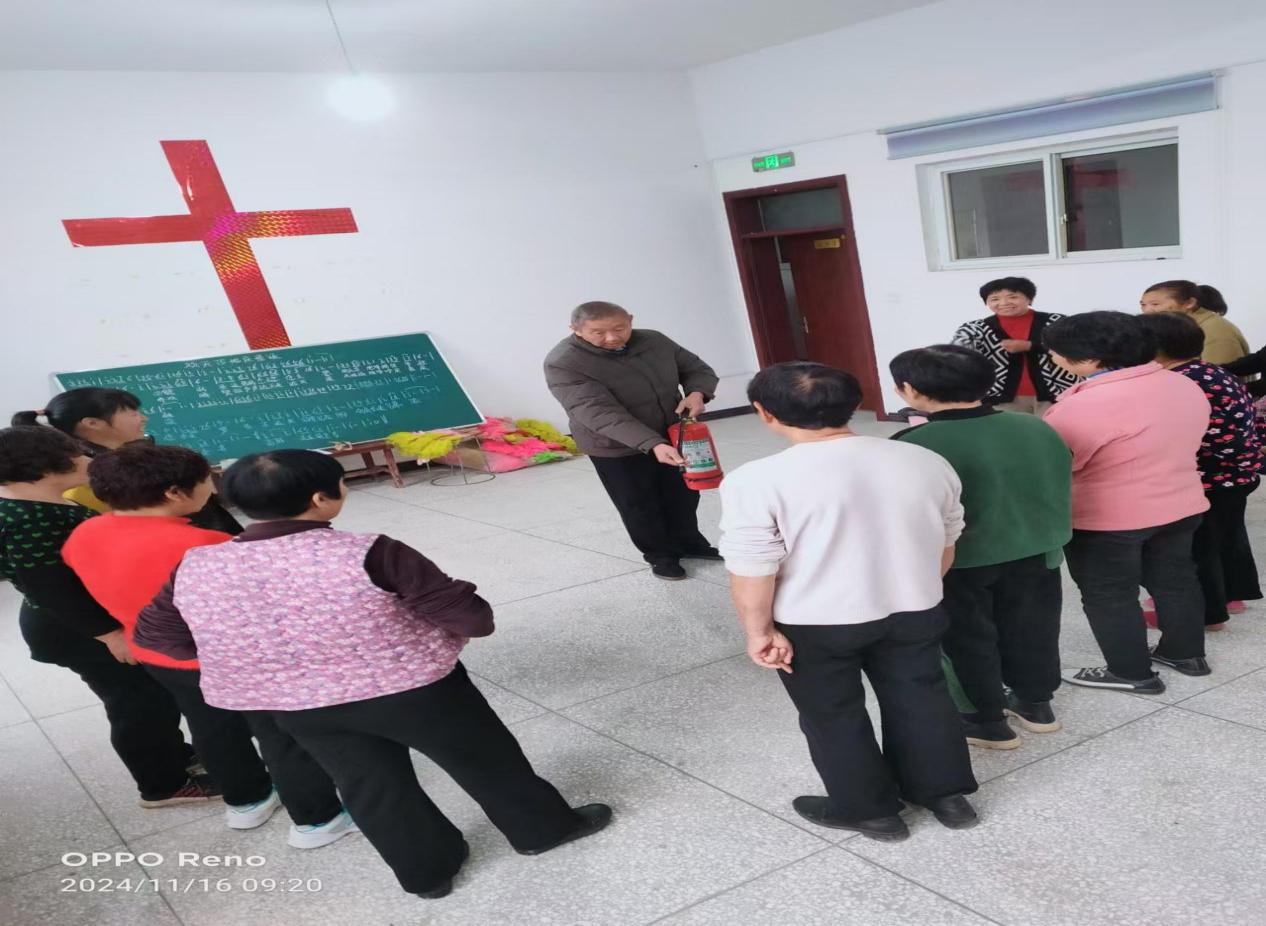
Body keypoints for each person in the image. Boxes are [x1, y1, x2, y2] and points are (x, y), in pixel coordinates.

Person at [134, 449, 612, 899]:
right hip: (415, 691)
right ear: (321, 499)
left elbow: (155, 635)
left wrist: (262, 657)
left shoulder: (198, 564)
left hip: (300, 707)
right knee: (485, 760)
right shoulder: (371, 552)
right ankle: (542, 830)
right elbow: (472, 621)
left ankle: (427, 874)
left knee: (369, 785)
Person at [718, 362, 978, 842]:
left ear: (764, 412)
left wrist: (759, 632)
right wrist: (915, 589)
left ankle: (871, 813)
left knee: (832, 712)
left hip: (815, 623)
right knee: (923, 697)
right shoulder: (922, 459)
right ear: (854, 403)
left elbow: (753, 568)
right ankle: (946, 797)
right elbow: (947, 538)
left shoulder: (756, 480)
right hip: (915, 607)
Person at [62, 443, 356, 847]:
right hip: (229, 659)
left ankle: (246, 802)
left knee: (210, 727)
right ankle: (317, 819)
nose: (213, 488)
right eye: (206, 481)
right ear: (174, 493)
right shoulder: (207, 544)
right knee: (279, 735)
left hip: (157, 654)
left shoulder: (84, 533)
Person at [0, 426, 216, 807]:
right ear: (44, 468)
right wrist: (110, 635)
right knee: (137, 703)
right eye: (78, 456)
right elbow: (48, 588)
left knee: (150, 697)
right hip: (76, 628)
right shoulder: (27, 517)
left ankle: (174, 756)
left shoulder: (39, 502)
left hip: (84, 619)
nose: (88, 460)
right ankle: (163, 785)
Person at [890, 345, 1072, 750]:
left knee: (966, 638)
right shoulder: (1036, 426)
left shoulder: (915, 443)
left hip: (962, 560)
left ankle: (984, 721)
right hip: (1037, 547)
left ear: (909, 390)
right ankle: (1036, 704)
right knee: (1034, 628)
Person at [1042, 312, 1211, 694]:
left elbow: (1060, 463)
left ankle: (1131, 673)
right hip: (1180, 503)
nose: (1051, 357)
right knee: (1176, 581)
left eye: (1055, 351)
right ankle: (1186, 654)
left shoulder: (1085, 405)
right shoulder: (1181, 383)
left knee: (1109, 592)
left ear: (1090, 359)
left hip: (1110, 518)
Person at [544, 301, 720, 580]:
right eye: (598, 332)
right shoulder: (564, 362)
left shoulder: (654, 341)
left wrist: (698, 392)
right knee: (639, 502)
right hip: (615, 445)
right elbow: (598, 412)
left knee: (683, 493)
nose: (612, 337)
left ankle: (689, 543)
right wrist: (652, 443)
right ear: (575, 330)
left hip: (671, 432)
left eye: (619, 328)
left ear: (630, 319)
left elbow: (696, 368)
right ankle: (660, 555)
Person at [1136, 313, 1262, 630]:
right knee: (1225, 539)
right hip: (1236, 473)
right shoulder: (1211, 371)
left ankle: (1207, 614)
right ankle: (1230, 597)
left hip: (1208, 476)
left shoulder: (1177, 382)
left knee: (1197, 548)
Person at [12, 388, 243, 534]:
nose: (143, 418)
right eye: (132, 413)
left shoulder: (132, 455)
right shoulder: (95, 476)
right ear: (92, 423)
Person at [952, 277, 1078, 415]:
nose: (1004, 303)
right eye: (994, 299)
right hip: (1000, 398)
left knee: (1060, 428)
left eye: (1012, 297)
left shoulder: (1057, 321)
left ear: (1029, 298)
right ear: (986, 302)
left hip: (1059, 393)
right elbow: (958, 353)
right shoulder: (976, 328)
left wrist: (1030, 346)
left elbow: (1077, 347)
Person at [1139, 280, 1249, 365]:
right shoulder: (1176, 329)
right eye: (1143, 305)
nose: (1147, 311)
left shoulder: (1215, 330)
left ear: (1189, 303)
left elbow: (1222, 373)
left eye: (1155, 304)